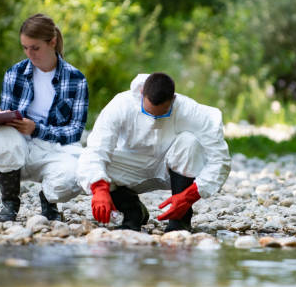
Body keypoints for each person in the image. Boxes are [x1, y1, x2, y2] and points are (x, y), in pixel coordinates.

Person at [77, 72, 230, 232]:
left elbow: (220, 161)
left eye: (162, 113)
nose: (154, 118)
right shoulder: (121, 105)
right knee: (89, 165)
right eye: (148, 111)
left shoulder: (192, 111)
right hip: (131, 167)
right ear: (142, 93)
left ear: (173, 100)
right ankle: (133, 212)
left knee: (189, 142)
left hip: (171, 167)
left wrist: (189, 196)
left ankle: (180, 220)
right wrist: (99, 189)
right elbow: (96, 149)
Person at [0, 13, 88, 222]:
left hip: (55, 149)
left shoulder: (76, 79)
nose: (29, 54)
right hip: (19, 146)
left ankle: (48, 199)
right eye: (25, 48)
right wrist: (0, 116)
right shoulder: (14, 73)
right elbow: (8, 120)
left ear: (52, 42)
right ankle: (10, 203)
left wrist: (36, 129)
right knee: (2, 139)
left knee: (74, 177)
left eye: (35, 48)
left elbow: (75, 132)